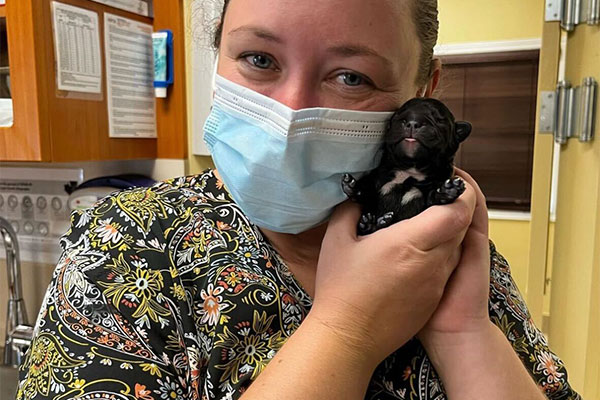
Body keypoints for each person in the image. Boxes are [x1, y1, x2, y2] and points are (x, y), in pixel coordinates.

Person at [17, 1, 581, 399]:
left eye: (351, 77)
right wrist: (345, 333)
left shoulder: (445, 245)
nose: (289, 114)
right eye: (259, 60)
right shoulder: (127, 248)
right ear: (217, 56)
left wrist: (464, 333)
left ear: (424, 90)